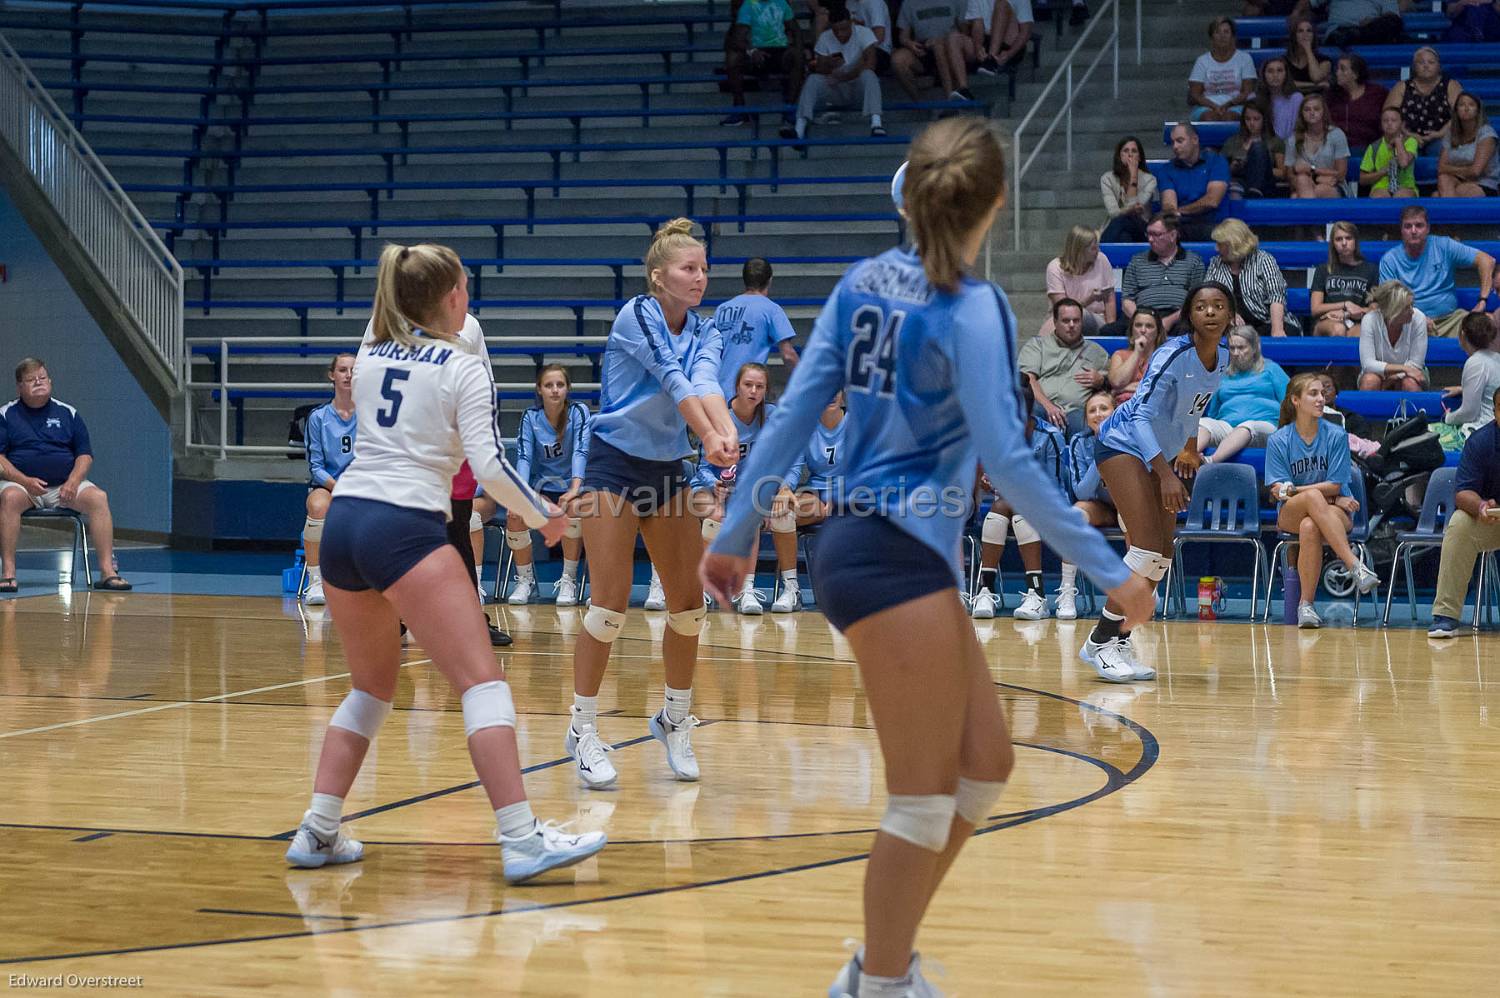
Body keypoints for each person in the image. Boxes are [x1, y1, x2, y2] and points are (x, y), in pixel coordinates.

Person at [702, 117, 1151, 998]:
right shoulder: (974, 307)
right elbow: (1012, 462)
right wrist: (1110, 572)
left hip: (880, 552)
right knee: (920, 799)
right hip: (887, 556)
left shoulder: (862, 282)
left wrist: (733, 530)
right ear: (992, 205)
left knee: (987, 762)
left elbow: (792, 415)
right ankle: (880, 977)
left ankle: (880, 958)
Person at [283, 242, 606, 882]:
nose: (469, 297)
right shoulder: (463, 366)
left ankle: (318, 829)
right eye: (463, 287)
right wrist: (548, 517)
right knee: (483, 685)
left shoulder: (372, 347)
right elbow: (488, 464)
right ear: (453, 297)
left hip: (346, 520)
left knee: (370, 688)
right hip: (404, 526)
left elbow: (404, 316)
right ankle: (520, 839)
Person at [565, 217, 733, 792]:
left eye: (705, 269)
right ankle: (583, 729)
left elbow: (707, 384)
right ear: (658, 276)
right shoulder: (636, 314)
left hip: (666, 470)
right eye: (689, 269)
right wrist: (710, 438)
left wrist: (726, 433)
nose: (700, 278)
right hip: (613, 464)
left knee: (688, 607)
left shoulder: (709, 330)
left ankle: (674, 718)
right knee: (610, 604)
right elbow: (673, 381)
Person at [1081, 281, 1231, 683]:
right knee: (1144, 547)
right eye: (1202, 306)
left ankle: (1119, 636)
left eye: (1219, 305)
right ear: (1189, 315)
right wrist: (1165, 473)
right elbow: (1141, 416)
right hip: (1122, 443)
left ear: (1231, 315)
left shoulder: (1223, 357)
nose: (1212, 312)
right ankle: (1099, 641)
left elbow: (1193, 411)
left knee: (1162, 555)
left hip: (1163, 453)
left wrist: (1187, 449)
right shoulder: (1172, 354)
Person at [0, 358, 132, 593]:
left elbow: (84, 454)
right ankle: (8, 573)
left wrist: (73, 482)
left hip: (64, 487)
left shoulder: (68, 413)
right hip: (22, 486)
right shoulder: (6, 414)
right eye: (31, 380)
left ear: (50, 381)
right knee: (9, 498)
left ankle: (108, 572)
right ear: (20, 387)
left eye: (42, 378)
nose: (38, 383)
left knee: (98, 498)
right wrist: (24, 481)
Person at [1265, 372, 1380, 629]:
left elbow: (1336, 484)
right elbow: (1279, 490)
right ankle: (1354, 565)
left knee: (1310, 526)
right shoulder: (1279, 440)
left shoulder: (1336, 435)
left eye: (1322, 393)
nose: (1321, 399)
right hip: (1293, 512)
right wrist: (1328, 497)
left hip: (1334, 512)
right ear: (1295, 400)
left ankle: (1306, 606)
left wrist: (1300, 490)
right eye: (1313, 394)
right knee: (1314, 499)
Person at [691, 362, 802, 614]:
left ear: (766, 391)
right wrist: (714, 484)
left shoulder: (774, 416)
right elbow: (702, 467)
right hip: (715, 489)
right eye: (748, 385)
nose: (753, 391)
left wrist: (785, 487)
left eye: (759, 386)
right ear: (737, 387)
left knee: (778, 512)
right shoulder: (722, 419)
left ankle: (761, 590)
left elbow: (794, 459)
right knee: (714, 515)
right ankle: (705, 589)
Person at [970, 380, 1069, 620]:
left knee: (1011, 505)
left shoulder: (1050, 436)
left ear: (1029, 414)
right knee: (1002, 506)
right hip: (1010, 506)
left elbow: (1056, 488)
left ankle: (1030, 593)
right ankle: (989, 591)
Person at [493, 364, 589, 607]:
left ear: (568, 389)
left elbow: (581, 450)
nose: (555, 390)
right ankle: (525, 580)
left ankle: (569, 579)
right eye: (549, 385)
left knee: (573, 510)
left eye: (560, 385)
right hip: (542, 487)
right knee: (515, 515)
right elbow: (524, 457)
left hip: (573, 485)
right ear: (539, 389)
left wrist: (575, 487)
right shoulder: (530, 417)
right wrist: (522, 494)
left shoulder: (579, 412)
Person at [1428, 383, 1500, 637]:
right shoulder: (1480, 442)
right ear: (1495, 411)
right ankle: (1446, 615)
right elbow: (1462, 493)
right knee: (1459, 524)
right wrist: (1481, 505)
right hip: (1493, 521)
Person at [1053, 388, 1123, 620]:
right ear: (1085, 419)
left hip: (1128, 505)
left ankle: (1139, 591)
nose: (1098, 414)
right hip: (1098, 506)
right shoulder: (1079, 442)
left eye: (1104, 408)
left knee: (1129, 516)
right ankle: (1067, 592)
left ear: (1115, 412)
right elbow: (1081, 490)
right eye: (1092, 410)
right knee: (1074, 515)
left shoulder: (1129, 437)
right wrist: (1102, 450)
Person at [1379, 204, 1496, 339]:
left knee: (1488, 323)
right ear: (1401, 230)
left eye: (1419, 225)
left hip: (1451, 320)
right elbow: (1388, 303)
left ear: (1428, 228)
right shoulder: (1389, 260)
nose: (1413, 230)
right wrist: (1416, 318)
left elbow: (1487, 261)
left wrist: (1482, 300)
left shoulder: (1444, 246)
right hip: (1408, 323)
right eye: (1407, 226)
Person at [302, 353, 357, 607]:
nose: (348, 375)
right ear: (332, 375)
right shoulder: (318, 417)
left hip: (362, 486)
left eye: (353, 370)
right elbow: (316, 467)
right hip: (328, 485)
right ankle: (315, 582)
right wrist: (339, 488)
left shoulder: (370, 415)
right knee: (317, 506)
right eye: (343, 370)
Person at [1196, 326, 1290, 464]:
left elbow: (1290, 401)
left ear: (1254, 347)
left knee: (1247, 426)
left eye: (1241, 348)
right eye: (1232, 348)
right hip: (1228, 427)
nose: (1235, 353)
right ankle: (1190, 456)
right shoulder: (1222, 375)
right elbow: (1213, 413)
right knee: (1203, 423)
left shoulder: (1271, 369)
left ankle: (1210, 461)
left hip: (1265, 426)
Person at [712, 257, 800, 401]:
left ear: (744, 279)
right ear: (770, 280)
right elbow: (788, 355)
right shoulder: (771, 309)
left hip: (716, 394)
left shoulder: (722, 309)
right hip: (749, 394)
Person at [1020, 298, 1111, 437]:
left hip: (1076, 411)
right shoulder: (1037, 346)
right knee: (1029, 412)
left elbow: (1113, 386)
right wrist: (1049, 406)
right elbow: (1028, 380)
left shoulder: (1097, 353)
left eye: (1076, 320)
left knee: (1088, 423)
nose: (1071, 325)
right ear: (1055, 322)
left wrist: (1102, 381)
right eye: (1066, 321)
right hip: (1042, 407)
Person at [795, 3, 886, 141]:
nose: (840, 34)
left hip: (857, 88)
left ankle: (876, 123)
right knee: (813, 80)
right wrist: (829, 65)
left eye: (844, 29)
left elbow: (871, 63)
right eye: (836, 30)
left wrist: (844, 76)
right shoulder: (825, 37)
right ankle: (799, 128)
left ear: (851, 23)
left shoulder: (864, 33)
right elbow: (819, 68)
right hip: (835, 88)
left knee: (869, 75)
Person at [1206, 218, 1300, 337]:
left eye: (1220, 244)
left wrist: (1277, 329)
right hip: (1232, 326)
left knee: (1287, 333)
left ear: (1234, 244)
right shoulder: (1216, 263)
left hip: (1266, 321)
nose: (1216, 248)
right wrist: (1228, 313)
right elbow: (1209, 296)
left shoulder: (1263, 259)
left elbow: (1276, 296)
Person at [1116, 212, 1207, 333]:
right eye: (1148, 234)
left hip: (1178, 317)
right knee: (1109, 331)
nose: (1150, 239)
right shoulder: (1136, 261)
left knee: (1190, 331)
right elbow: (1127, 301)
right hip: (1143, 314)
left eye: (1156, 234)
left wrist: (1169, 321)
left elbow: (1196, 301)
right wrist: (1143, 321)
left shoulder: (1194, 261)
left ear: (1173, 235)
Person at [722, 0, 804, 132]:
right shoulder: (748, 5)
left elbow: (796, 30)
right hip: (757, 53)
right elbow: (737, 38)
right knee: (732, 58)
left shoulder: (782, 3)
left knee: (798, 56)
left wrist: (799, 49)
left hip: (779, 52)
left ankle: (790, 108)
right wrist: (752, 51)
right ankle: (739, 108)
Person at [783, 391, 848, 529]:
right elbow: (794, 467)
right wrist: (785, 488)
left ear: (843, 394)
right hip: (816, 492)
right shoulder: (804, 428)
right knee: (783, 513)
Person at [1384, 46, 1464, 154]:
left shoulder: (1451, 85)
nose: (1426, 66)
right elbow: (1389, 115)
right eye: (1421, 62)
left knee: (1442, 150)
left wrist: (1440, 133)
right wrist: (1408, 134)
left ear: (1439, 66)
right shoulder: (1401, 86)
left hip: (1443, 136)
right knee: (1399, 150)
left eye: (1431, 62)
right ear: (1414, 67)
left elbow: (1460, 113)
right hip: (1406, 135)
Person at [1158, 123, 1231, 242]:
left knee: (1221, 235)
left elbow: (1212, 201)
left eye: (1180, 141)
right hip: (1182, 226)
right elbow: (1169, 206)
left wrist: (1180, 211)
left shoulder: (1216, 161)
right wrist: (1174, 212)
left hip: (1215, 224)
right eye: (1172, 142)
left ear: (1195, 140)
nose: (1175, 146)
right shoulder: (1166, 169)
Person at [1310, 220, 1381, 337]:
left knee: (1363, 334)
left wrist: (1349, 314)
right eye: (1338, 239)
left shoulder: (1371, 270)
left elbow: (1374, 309)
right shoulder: (1323, 269)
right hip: (1326, 321)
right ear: (1333, 243)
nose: (1344, 243)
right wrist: (1345, 304)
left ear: (1355, 241)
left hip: (1356, 321)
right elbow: (1315, 308)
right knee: (1338, 329)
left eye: (1348, 238)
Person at [892, 0, 972, 102]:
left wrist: (944, 40)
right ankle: (919, 102)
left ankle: (950, 98)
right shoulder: (908, 3)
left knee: (939, 46)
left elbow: (964, 31)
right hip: (923, 48)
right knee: (897, 60)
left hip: (950, 47)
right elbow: (903, 37)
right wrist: (910, 44)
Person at [1358, 279, 1429, 390]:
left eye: (1412, 305)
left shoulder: (1419, 318)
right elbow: (1368, 364)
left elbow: (1416, 365)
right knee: (1369, 381)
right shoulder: (1370, 320)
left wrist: (1394, 377)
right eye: (1406, 308)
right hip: (1376, 373)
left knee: (1410, 383)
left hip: (1413, 372)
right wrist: (1404, 369)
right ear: (1392, 310)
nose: (1412, 311)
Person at [1043, 225, 1115, 335]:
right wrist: (1089, 299)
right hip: (1063, 320)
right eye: (1093, 248)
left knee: (1083, 315)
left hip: (1095, 318)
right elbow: (1064, 309)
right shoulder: (1055, 268)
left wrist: (1111, 328)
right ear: (1080, 250)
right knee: (1060, 324)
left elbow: (1110, 298)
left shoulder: (1102, 260)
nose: (1097, 251)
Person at [1188, 16, 1258, 122]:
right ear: (1212, 37)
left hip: (1237, 105)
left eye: (1226, 32)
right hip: (1206, 107)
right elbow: (1195, 94)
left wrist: (1228, 105)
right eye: (1217, 32)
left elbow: (1247, 91)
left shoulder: (1245, 59)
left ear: (1233, 37)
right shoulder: (1202, 61)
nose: (1222, 36)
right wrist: (1214, 107)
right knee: (1209, 118)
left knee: (1229, 118)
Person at [1436, 92, 1499, 198]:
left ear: (1478, 110)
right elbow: (1441, 168)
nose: (1466, 108)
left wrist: (1452, 169)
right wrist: (1467, 169)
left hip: (1484, 183)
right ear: (1456, 110)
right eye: (1461, 105)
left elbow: (1476, 171)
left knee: (1437, 196)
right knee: (1443, 178)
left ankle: (1449, 210)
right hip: (1456, 181)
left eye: (1471, 105)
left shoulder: (1487, 133)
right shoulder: (1451, 134)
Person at [1288, 92, 1350, 198]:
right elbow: (1289, 174)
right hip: (1304, 185)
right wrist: (1311, 181)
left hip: (1334, 186)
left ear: (1323, 112)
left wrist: (1312, 170)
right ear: (1302, 114)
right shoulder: (1293, 138)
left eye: (1316, 109)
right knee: (1302, 180)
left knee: (1314, 192)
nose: (1312, 113)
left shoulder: (1336, 134)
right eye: (1307, 110)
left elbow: (1341, 174)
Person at [1443, 312, 1500, 427]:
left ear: (1462, 335)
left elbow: (1469, 413)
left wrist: (1448, 417)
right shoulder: (1497, 357)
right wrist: (1463, 389)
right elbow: (1491, 388)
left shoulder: (1475, 363)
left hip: (1486, 429)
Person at [1221, 102, 1286, 199]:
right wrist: (1235, 166)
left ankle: (1255, 191)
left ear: (1264, 120)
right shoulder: (1233, 141)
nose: (1251, 123)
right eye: (1248, 119)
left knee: (1257, 147)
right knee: (1234, 188)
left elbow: (1282, 172)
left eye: (1256, 119)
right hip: (1240, 180)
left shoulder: (1275, 141)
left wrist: (1254, 167)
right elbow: (1221, 170)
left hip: (1266, 183)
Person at [1100, 136, 1158, 243]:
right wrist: (1128, 210)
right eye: (1126, 151)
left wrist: (1133, 176)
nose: (1130, 154)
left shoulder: (1150, 180)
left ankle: (1102, 250)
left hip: (1141, 227)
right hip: (1117, 227)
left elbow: (1134, 210)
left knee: (1124, 219)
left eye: (1134, 151)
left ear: (1139, 157)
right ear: (1120, 156)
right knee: (1124, 237)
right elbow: (1113, 212)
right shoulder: (1107, 179)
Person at [1326, 51, 1388, 151]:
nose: (1337, 73)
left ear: (1355, 74)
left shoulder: (1378, 93)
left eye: (1343, 69)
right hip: (1336, 148)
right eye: (1337, 69)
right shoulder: (1331, 95)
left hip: (1369, 147)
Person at [1107, 308, 1168, 403]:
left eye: (1149, 326)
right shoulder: (1119, 355)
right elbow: (1117, 382)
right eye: (1138, 325)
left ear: (1158, 332)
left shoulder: (1166, 357)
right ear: (1132, 330)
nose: (1143, 330)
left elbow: (1162, 388)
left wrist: (1123, 389)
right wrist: (1137, 352)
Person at [1359, 107, 1419, 198]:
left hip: (1406, 186)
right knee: (1379, 197)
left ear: (1402, 124)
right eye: (1385, 120)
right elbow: (1362, 179)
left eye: (1394, 120)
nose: (1389, 123)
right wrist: (1382, 172)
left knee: (1401, 196)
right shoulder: (1374, 147)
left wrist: (1398, 141)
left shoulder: (1411, 141)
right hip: (1381, 187)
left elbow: (1403, 163)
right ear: (1381, 124)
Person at [967, 0, 1034, 77]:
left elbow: (1026, 31)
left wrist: (1009, 53)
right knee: (954, 38)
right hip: (986, 41)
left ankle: (991, 61)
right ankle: (962, 87)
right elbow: (977, 24)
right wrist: (978, 47)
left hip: (1010, 45)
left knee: (1002, 4)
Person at [1313, 0, 1411, 47]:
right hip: (1340, 30)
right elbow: (1307, 3)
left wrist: (1372, 22)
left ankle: (1355, 34)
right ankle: (1352, 34)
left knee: (1393, 23)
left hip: (1371, 33)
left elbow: (1392, 17)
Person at [1258, 57, 1305, 140]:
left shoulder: (1296, 98)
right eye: (1270, 71)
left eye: (1279, 71)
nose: (1275, 75)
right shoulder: (1256, 99)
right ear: (1263, 75)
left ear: (1286, 74)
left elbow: (1298, 129)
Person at [1283, 16, 1331, 93]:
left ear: (1313, 36)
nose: (1305, 34)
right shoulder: (1283, 61)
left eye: (1309, 31)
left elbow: (1316, 77)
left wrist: (1308, 50)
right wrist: (1314, 85)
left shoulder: (1325, 61)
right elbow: (1285, 83)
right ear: (1294, 36)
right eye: (1300, 31)